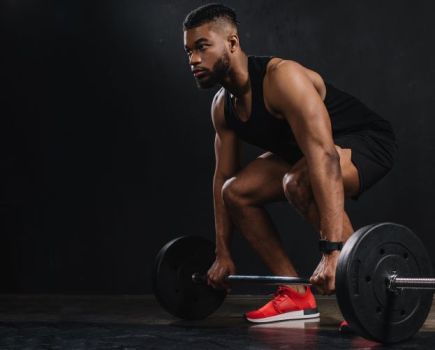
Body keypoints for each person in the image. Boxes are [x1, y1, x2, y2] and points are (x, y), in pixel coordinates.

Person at [182, 3, 396, 323]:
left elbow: (323, 155)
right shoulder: (222, 107)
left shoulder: (281, 78)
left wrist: (332, 251)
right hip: (306, 155)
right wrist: (223, 254)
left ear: (232, 43)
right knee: (235, 191)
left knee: (298, 181)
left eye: (202, 47)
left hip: (364, 141)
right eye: (188, 51)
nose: (194, 59)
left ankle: (365, 297)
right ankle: (295, 295)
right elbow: (221, 177)